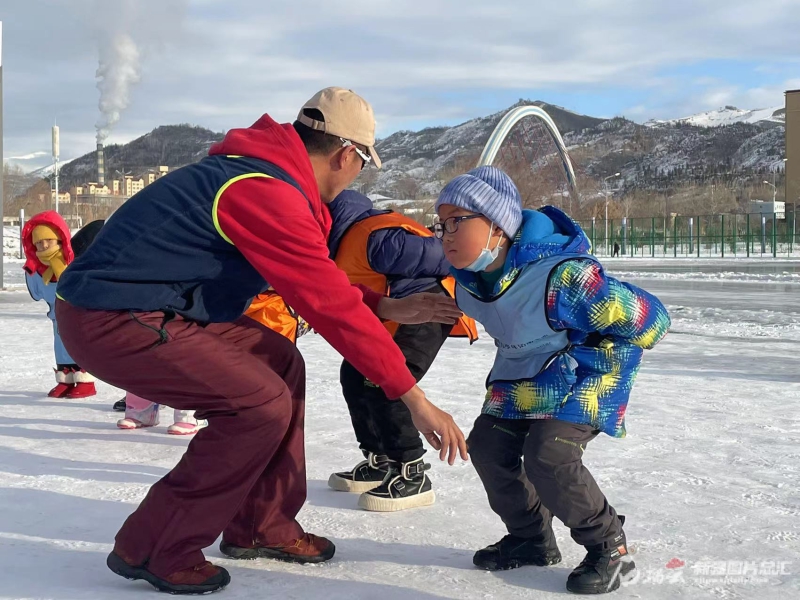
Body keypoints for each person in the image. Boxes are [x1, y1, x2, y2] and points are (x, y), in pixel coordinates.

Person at [55, 87, 467, 595]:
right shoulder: (261, 189)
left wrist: (382, 306)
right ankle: (157, 544)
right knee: (258, 404)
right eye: (364, 164)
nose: (359, 174)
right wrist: (415, 399)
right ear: (346, 155)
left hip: (168, 305)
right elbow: (328, 305)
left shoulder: (266, 178)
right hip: (111, 314)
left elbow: (310, 278)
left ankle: (261, 524)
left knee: (282, 362)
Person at [434, 166, 670, 594]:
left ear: (498, 228)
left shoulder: (565, 278)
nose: (445, 234)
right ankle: (530, 539)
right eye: (441, 224)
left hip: (588, 374)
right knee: (488, 446)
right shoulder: (469, 285)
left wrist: (591, 345)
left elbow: (652, 320)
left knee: (549, 454)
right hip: (526, 374)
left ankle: (610, 549)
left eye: (457, 222)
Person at [325, 189, 477, 511]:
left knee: (387, 381)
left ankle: (411, 470)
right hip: (393, 314)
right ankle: (379, 459)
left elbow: (443, 254)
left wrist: (473, 273)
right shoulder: (337, 246)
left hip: (429, 309)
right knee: (353, 373)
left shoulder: (376, 239)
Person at [21, 211, 96, 398]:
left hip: (78, 316)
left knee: (79, 346)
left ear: (60, 240)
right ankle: (66, 380)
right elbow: (37, 293)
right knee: (61, 347)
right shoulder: (37, 268)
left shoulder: (72, 263)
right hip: (57, 317)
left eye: (49, 240)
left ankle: (86, 382)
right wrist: (31, 270)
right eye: (39, 242)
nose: (44, 245)